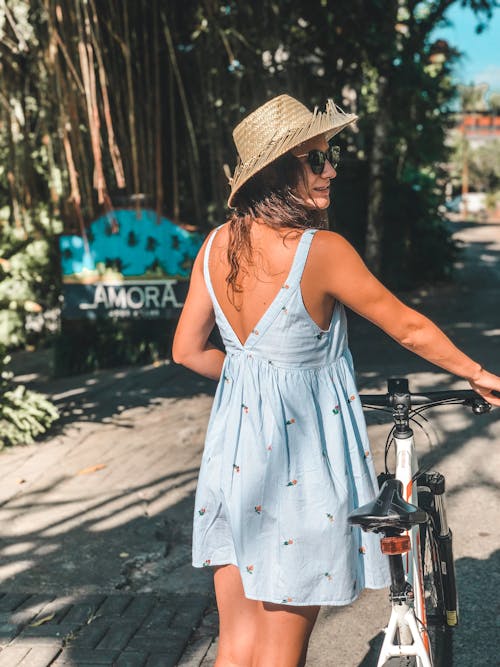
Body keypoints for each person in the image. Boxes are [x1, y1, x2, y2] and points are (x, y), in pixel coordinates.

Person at [172, 94, 500, 667]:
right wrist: (477, 373)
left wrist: (256, 384)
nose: (332, 170)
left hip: (233, 465)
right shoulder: (319, 251)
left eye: (331, 155)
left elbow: (186, 351)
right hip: (299, 472)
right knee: (279, 652)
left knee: (238, 644)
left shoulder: (215, 245)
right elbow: (408, 327)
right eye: (315, 160)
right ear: (276, 172)